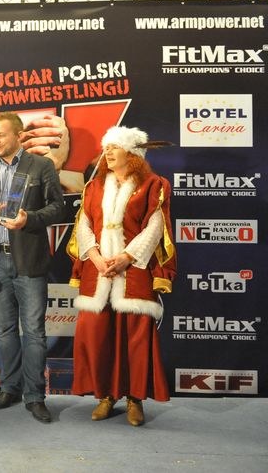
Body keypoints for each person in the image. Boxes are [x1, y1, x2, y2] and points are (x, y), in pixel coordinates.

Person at [67, 126, 176, 426]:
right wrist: (96, 257)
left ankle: (134, 399)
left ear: (133, 153)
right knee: (98, 335)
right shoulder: (94, 186)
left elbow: (156, 227)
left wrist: (127, 257)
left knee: (135, 339)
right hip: (98, 271)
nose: (108, 152)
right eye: (107, 147)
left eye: (115, 147)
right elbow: (83, 224)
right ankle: (105, 395)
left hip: (135, 271)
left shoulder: (153, 185)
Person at [0, 112, 65, 423]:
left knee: (35, 333)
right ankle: (9, 388)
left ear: (17, 136)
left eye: (1, 135)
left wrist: (30, 219)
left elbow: (58, 207)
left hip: (29, 260)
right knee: (4, 331)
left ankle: (35, 396)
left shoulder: (41, 166)